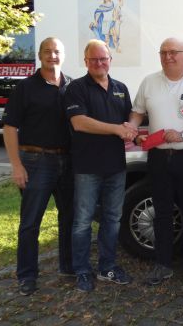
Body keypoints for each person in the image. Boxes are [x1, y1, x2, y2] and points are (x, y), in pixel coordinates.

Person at [128, 37, 183, 287]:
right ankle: (162, 264)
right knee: (162, 212)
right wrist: (132, 128)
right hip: (158, 156)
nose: (168, 56)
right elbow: (137, 112)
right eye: (163, 52)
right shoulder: (149, 81)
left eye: (173, 52)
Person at [2, 37, 74, 296]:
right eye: (47, 51)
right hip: (35, 162)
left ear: (63, 55)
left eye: (57, 51)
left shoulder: (72, 86)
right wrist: (16, 165)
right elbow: (9, 127)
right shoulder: (26, 88)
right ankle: (27, 275)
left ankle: (68, 266)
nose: (52, 56)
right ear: (40, 55)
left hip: (68, 162)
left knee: (70, 218)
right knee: (31, 222)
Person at [65, 39, 137, 292]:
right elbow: (80, 122)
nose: (99, 63)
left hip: (116, 166)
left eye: (103, 58)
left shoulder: (120, 88)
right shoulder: (76, 88)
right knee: (83, 221)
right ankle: (82, 270)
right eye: (94, 59)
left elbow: (129, 120)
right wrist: (117, 129)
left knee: (112, 219)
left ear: (110, 60)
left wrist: (133, 130)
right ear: (86, 62)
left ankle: (107, 267)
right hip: (87, 167)